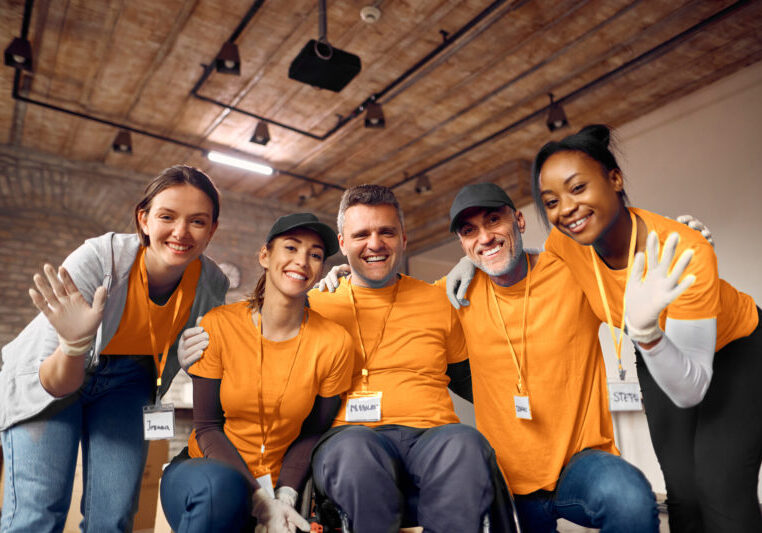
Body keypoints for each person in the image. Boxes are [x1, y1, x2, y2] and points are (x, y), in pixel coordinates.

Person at [531, 125, 761, 532]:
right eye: (551, 201)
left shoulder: (684, 249)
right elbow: (526, 271)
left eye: (577, 188)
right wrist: (473, 262)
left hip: (738, 350)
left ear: (614, 179)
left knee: (719, 484)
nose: (565, 208)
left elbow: (692, 387)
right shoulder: (563, 244)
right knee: (684, 492)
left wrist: (646, 332)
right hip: (656, 353)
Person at [0, 165, 229, 532]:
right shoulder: (97, 260)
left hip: (129, 382)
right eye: (167, 216)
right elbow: (54, 382)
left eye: (198, 222)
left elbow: (216, 353)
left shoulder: (212, 281)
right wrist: (74, 345)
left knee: (114, 517)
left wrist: (197, 362)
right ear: (144, 219)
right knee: (38, 515)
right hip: (52, 374)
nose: (181, 232)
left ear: (212, 229)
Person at [437, 183, 659, 532]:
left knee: (629, 498)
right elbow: (392, 301)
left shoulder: (571, 269)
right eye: (469, 232)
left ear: (519, 221)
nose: (485, 237)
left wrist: (683, 242)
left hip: (580, 464)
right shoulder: (456, 294)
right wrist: (337, 278)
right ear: (463, 244)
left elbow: (628, 254)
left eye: (494, 220)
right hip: (506, 481)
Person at [307, 185, 497, 533]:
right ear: (343, 243)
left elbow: (471, 381)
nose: (375, 243)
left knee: (467, 444)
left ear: (404, 238)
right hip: (350, 436)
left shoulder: (439, 299)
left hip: (433, 436)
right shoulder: (314, 306)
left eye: (386, 232)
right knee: (355, 450)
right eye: (361, 234)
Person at [162, 213, 354, 533]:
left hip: (284, 487)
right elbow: (208, 427)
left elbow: (313, 431)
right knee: (221, 491)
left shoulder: (335, 343)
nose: (302, 261)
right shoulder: (219, 324)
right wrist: (258, 498)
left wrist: (284, 496)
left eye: (315, 254)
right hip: (206, 472)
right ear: (265, 255)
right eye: (290, 248)